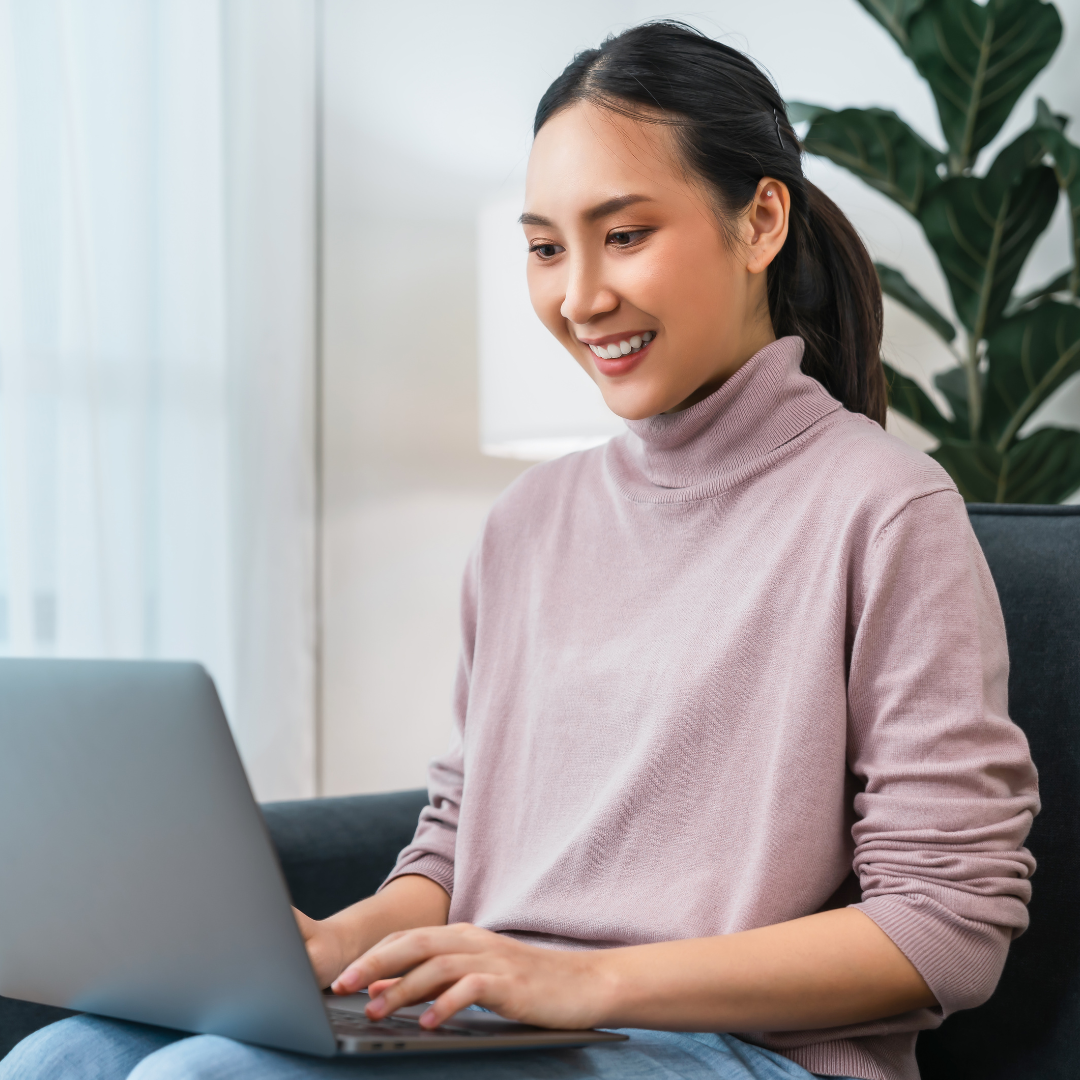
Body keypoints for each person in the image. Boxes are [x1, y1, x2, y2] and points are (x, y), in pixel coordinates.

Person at [1, 21, 1038, 1080]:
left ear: (761, 219)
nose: (580, 296)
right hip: (516, 1027)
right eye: (546, 248)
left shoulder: (885, 508)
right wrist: (336, 945)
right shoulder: (528, 522)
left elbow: (947, 924)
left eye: (625, 235)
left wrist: (584, 982)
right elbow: (458, 845)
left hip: (731, 1052)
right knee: (61, 1058)